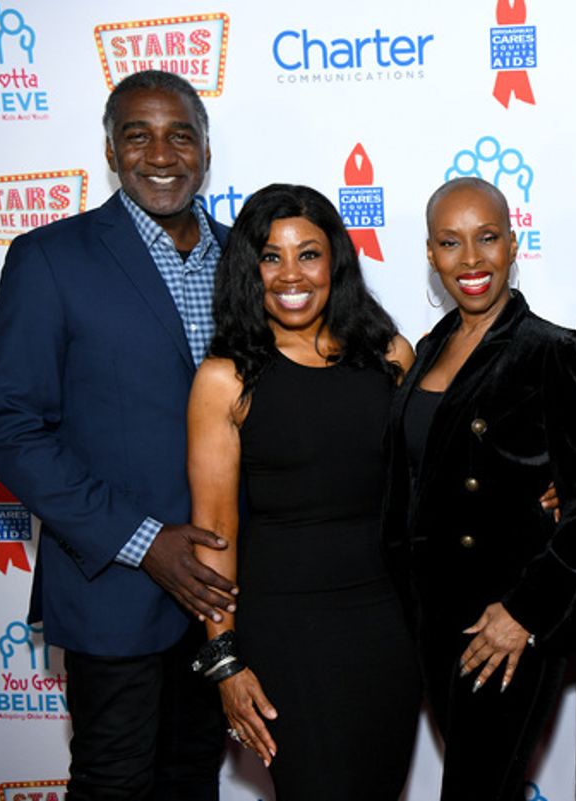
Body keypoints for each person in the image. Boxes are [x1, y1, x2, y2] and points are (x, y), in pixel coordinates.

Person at [0, 70, 235, 799]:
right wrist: (146, 539)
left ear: (205, 151)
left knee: (194, 778)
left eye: (180, 134)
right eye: (138, 134)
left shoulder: (247, 259)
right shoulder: (50, 257)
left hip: (229, 591)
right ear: (111, 151)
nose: (161, 153)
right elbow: (8, 429)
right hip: (113, 590)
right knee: (114, 782)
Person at [382, 177, 576, 801]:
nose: (471, 260)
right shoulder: (429, 348)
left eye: (487, 238)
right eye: (451, 243)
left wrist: (526, 614)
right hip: (434, 619)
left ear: (514, 245)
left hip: (504, 626)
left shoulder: (552, 351)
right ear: (430, 255)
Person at [186, 184, 422, 798]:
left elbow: (434, 481)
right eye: (271, 256)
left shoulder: (390, 357)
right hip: (286, 635)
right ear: (249, 269)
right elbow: (214, 533)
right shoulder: (225, 379)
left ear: (335, 262)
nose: (291, 274)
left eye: (308, 254)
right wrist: (225, 662)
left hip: (387, 629)